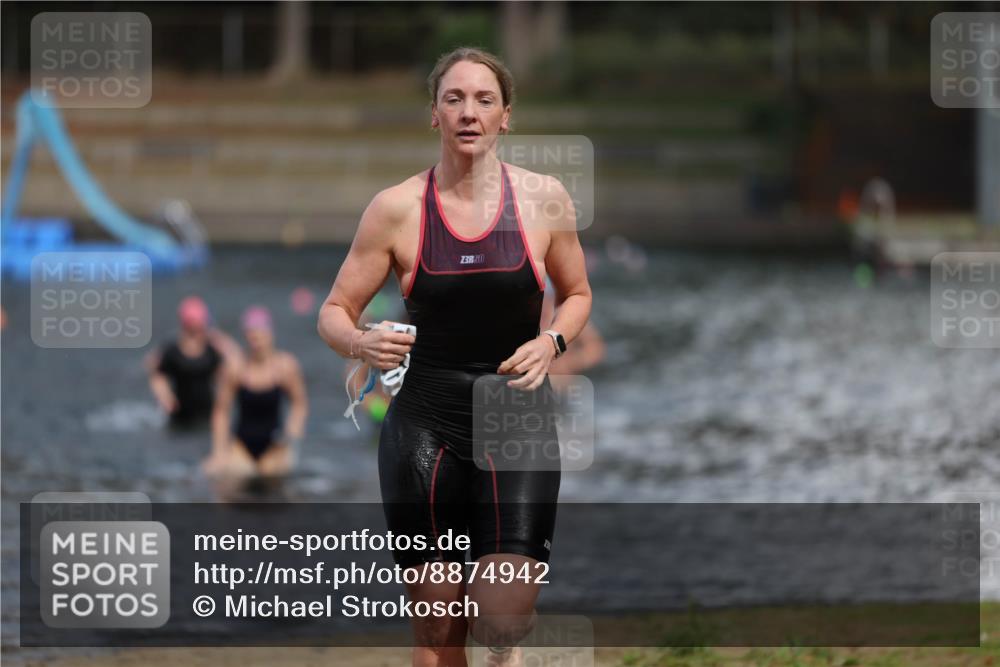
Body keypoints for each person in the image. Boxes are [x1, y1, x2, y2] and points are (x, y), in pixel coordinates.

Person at [318, 48, 592, 666]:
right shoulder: (396, 209)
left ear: (506, 118)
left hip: (514, 419)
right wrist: (361, 342)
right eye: (454, 99)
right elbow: (332, 311)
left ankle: (502, 644)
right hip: (424, 421)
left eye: (484, 100)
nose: (470, 112)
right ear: (434, 115)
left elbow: (577, 294)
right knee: (439, 626)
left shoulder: (544, 199)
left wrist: (552, 342)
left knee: (501, 619)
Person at [204, 305, 308, 480]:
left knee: (274, 487)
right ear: (245, 337)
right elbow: (221, 411)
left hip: (275, 445)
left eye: (260, 337)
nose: (256, 343)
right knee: (223, 482)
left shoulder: (285, 366)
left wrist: (292, 434)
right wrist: (219, 451)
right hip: (241, 446)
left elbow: (299, 403)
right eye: (252, 337)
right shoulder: (235, 367)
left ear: (270, 335)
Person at [145, 296, 240, 429]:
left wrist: (217, 337)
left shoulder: (212, 349)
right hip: (180, 415)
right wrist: (164, 396)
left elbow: (236, 360)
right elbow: (155, 373)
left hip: (208, 414)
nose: (198, 332)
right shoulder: (173, 351)